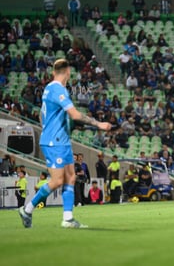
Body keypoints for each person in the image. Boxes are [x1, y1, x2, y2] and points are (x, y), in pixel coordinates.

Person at [18, 59, 111, 229]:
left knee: (71, 177)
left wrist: (59, 126)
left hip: (62, 140)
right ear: (67, 72)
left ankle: (67, 218)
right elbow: (75, 115)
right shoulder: (57, 89)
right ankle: (27, 209)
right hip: (54, 142)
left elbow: (42, 114)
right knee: (57, 180)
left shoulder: (49, 89)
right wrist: (99, 124)